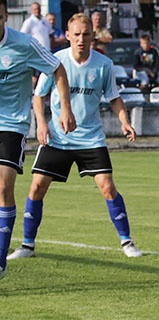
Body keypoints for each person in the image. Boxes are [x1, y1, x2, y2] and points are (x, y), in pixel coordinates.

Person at [8, 13, 141, 262]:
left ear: (93, 36)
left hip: (90, 138)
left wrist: (124, 121)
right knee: (37, 187)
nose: (81, 39)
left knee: (107, 187)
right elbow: (39, 96)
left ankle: (127, 241)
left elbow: (114, 97)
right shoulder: (56, 61)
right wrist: (41, 125)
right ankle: (27, 245)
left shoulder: (103, 64)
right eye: (76, 34)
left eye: (86, 34)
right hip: (58, 137)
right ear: (67, 36)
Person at [0, 0, 75, 281]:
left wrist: (65, 108)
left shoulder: (24, 44)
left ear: (7, 16)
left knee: (3, 185)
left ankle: (0, 261)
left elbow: (57, 68)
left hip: (11, 124)